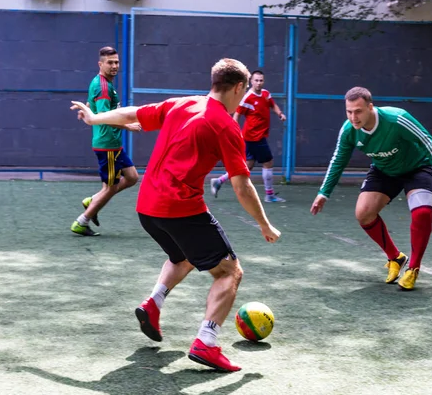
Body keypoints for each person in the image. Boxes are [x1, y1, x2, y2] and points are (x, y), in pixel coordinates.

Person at [70, 58, 281, 372]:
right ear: (239, 87)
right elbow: (242, 185)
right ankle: (207, 343)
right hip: (180, 208)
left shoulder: (182, 104)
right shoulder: (226, 125)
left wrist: (95, 118)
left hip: (147, 208)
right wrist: (265, 224)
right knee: (229, 272)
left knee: (183, 255)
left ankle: (152, 304)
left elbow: (132, 113)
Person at [310, 87, 432, 291]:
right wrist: (323, 193)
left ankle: (413, 268)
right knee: (363, 214)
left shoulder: (396, 119)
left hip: (417, 167)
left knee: (422, 212)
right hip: (384, 171)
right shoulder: (349, 130)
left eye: (358, 111)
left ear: (371, 107)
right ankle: (395, 258)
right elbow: (338, 160)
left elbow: (427, 141)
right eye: (349, 112)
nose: (353, 117)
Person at [71, 46, 141, 236]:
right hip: (107, 145)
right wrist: (129, 126)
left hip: (114, 144)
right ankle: (81, 221)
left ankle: (93, 199)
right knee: (110, 188)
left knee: (132, 177)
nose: (114, 66)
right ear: (100, 64)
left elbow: (92, 105)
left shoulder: (101, 83)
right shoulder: (103, 87)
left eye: (116, 62)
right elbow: (104, 116)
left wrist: (85, 109)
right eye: (110, 62)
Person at [210, 70, 287, 202]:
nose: (258, 83)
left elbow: (272, 104)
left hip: (254, 138)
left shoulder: (265, 94)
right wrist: (233, 131)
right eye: (256, 80)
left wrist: (280, 114)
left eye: (261, 80)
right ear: (251, 81)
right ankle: (269, 195)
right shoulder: (247, 98)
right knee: (268, 163)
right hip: (254, 137)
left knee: (246, 166)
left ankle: (218, 181)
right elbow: (237, 115)